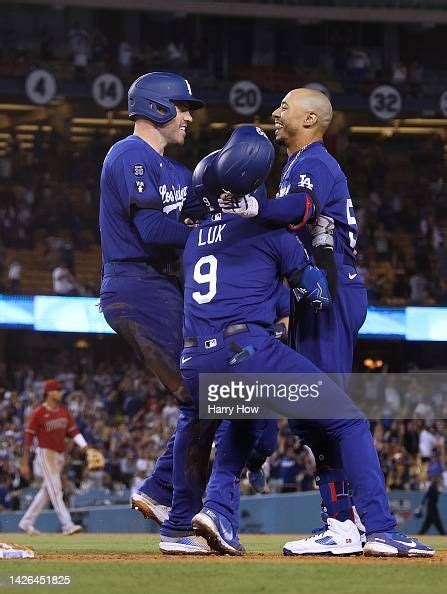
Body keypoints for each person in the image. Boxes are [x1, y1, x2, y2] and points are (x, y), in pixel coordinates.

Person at [217, 89, 434, 557]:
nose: (275, 112)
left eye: (285, 106)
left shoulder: (314, 161)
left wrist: (256, 209)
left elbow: (303, 209)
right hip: (317, 295)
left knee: (333, 415)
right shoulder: (296, 165)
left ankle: (370, 526)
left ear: (311, 118)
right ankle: (340, 524)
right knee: (313, 419)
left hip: (331, 293)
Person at [160, 147, 333, 555]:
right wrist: (320, 251)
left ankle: (191, 519)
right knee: (339, 412)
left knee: (231, 420)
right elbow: (319, 295)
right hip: (244, 348)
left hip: (193, 357)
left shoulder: (194, 238)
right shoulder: (268, 231)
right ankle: (363, 522)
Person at [99, 71, 204, 525]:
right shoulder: (128, 154)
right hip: (137, 284)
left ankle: (163, 491)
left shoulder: (179, 171)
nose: (188, 117)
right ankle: (174, 503)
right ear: (158, 107)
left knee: (208, 395)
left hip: (159, 287)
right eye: (182, 107)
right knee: (210, 392)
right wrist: (209, 236)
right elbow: (153, 229)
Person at [19, 380, 88, 535]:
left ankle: (26, 522)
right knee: (56, 490)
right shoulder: (38, 413)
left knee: (47, 491)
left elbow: (74, 431)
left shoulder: (64, 411)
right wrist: (24, 463)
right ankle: (67, 525)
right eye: (57, 390)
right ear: (49, 392)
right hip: (45, 454)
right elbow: (28, 440)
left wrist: (84, 445)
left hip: (60, 455)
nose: (60, 393)